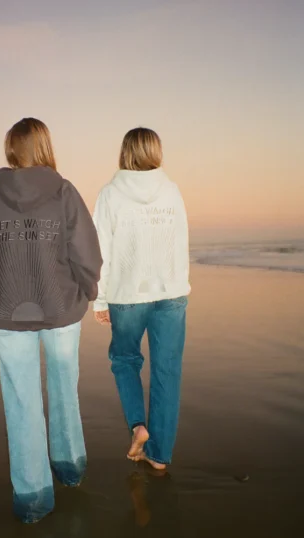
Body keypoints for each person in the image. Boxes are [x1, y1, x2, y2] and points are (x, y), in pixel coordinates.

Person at [0, 117, 102, 523]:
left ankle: (32, 498)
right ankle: (70, 467)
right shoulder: (63, 191)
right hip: (61, 310)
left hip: (9, 313)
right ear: (45, 146)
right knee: (64, 391)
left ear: (12, 148)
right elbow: (87, 253)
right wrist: (89, 290)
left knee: (21, 403)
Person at [93, 127, 190, 471]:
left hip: (128, 295)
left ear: (125, 152)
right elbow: (180, 242)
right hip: (171, 294)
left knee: (125, 360)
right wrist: (180, 286)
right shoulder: (172, 191)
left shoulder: (110, 194)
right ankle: (159, 457)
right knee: (167, 372)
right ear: (155, 151)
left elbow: (101, 250)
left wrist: (100, 299)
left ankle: (138, 426)